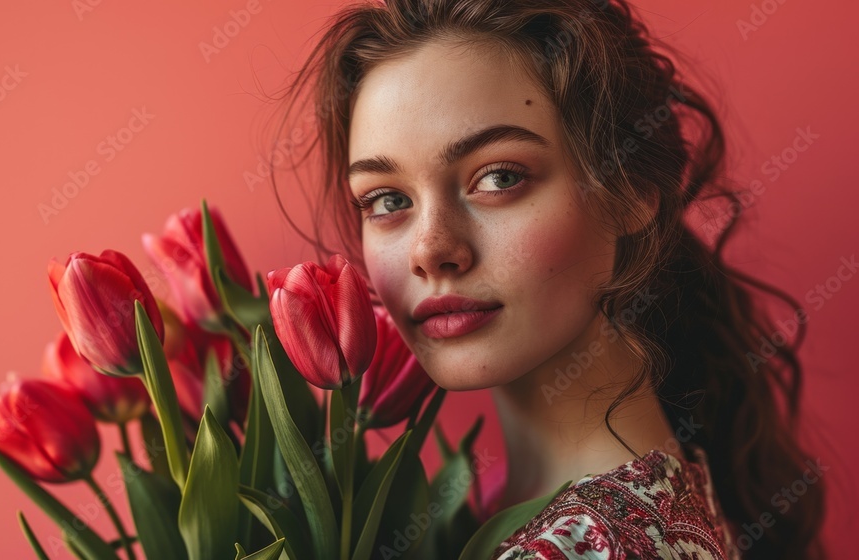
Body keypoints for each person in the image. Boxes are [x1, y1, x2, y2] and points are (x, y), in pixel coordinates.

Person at [263, 0, 826, 558]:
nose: (430, 250)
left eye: (500, 176)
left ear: (630, 191)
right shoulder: (518, 500)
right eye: (388, 199)